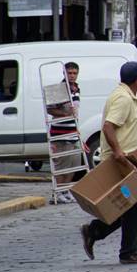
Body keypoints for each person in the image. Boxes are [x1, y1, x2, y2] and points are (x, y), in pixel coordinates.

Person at [80, 61, 137, 265]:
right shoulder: (123, 99)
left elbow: (125, 128)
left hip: (127, 161)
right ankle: (127, 251)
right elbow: (109, 127)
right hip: (120, 164)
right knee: (132, 205)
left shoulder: (127, 96)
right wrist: (119, 152)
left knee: (127, 205)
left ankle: (95, 231)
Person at [47, 62, 84, 204]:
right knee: (62, 164)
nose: (72, 76)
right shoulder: (59, 89)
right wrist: (64, 113)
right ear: (64, 73)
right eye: (70, 73)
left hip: (73, 132)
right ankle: (57, 192)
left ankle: (66, 190)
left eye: (75, 73)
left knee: (74, 164)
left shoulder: (77, 88)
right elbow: (50, 109)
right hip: (60, 133)